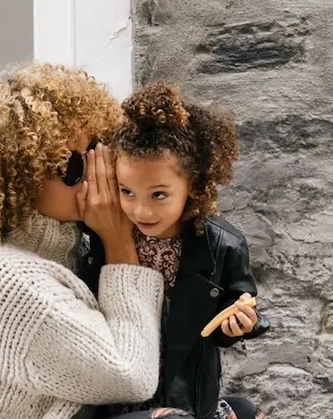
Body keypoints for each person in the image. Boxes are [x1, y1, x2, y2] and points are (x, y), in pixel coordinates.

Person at [0, 62, 166, 419]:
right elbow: (131, 376)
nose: (95, 175)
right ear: (22, 178)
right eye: (71, 166)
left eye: (98, 152)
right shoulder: (7, 279)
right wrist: (118, 241)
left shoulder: (67, 255)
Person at [80, 83, 270, 419]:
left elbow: (233, 307)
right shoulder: (101, 237)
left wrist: (239, 323)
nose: (141, 211)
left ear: (193, 185)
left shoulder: (222, 245)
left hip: (187, 398)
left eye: (158, 195)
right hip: (120, 395)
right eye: (127, 191)